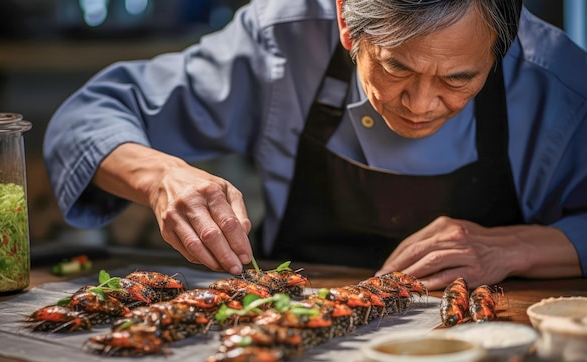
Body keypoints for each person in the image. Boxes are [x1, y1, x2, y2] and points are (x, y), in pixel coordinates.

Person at [44, 0, 587, 290]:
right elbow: (86, 118)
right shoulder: (281, 37)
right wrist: (161, 176)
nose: (420, 105)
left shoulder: (558, 80)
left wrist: (517, 247)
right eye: (396, 66)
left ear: (501, 48)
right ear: (348, 25)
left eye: (458, 79)